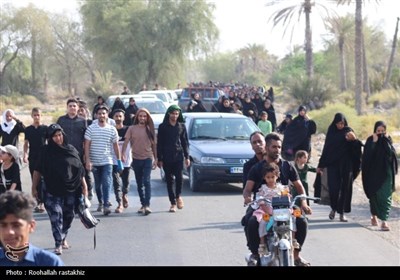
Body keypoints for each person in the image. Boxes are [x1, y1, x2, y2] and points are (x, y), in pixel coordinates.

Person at [243, 132, 312, 266]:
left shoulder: (288, 166)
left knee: (302, 220)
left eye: (279, 147)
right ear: (267, 148)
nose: (277, 150)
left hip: (285, 205)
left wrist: (303, 202)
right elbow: (247, 188)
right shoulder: (256, 168)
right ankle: (255, 253)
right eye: (274, 147)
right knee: (251, 221)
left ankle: (297, 255)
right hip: (263, 205)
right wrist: (247, 197)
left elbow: (299, 186)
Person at [32, 124, 88, 255]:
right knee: (56, 215)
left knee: (68, 215)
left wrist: (84, 186)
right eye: (55, 136)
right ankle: (58, 243)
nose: (58, 138)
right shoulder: (45, 151)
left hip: (70, 189)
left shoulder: (71, 149)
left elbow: (79, 170)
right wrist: (34, 187)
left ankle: (63, 237)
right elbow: (37, 170)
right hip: (51, 189)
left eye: (60, 135)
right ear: (50, 138)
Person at [317, 113, 362, 222]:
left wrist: (353, 140)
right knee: (334, 189)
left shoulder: (349, 131)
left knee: (345, 189)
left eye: (342, 123)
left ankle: (341, 213)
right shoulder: (331, 132)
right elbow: (326, 149)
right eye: (338, 123)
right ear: (335, 123)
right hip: (333, 165)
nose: (340, 126)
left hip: (347, 166)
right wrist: (321, 165)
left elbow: (357, 148)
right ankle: (333, 208)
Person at [0, 191, 64, 266]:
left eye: (16, 225)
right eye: (3, 225)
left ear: (31, 226)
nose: (9, 232)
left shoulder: (50, 262)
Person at [84, 106, 121, 215]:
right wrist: (87, 160)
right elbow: (87, 145)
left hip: (107, 160)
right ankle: (100, 201)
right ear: (96, 115)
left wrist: (119, 161)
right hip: (95, 161)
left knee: (107, 181)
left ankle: (106, 204)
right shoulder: (91, 128)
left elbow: (116, 146)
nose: (101, 115)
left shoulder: (112, 129)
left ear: (107, 115)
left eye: (103, 113)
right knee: (98, 185)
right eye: (99, 113)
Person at [362, 121, 398, 231]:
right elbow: (367, 158)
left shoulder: (388, 140)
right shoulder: (370, 140)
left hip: (386, 174)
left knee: (386, 197)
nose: (381, 133)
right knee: (374, 197)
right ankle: (374, 216)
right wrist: (374, 142)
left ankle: (384, 221)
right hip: (372, 175)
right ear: (375, 131)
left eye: (383, 131)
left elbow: (391, 155)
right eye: (378, 131)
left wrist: (386, 141)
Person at [122, 108, 157, 215]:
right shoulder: (131, 129)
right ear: (137, 117)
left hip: (147, 158)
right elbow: (126, 141)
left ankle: (147, 205)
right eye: (140, 116)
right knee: (139, 183)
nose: (142, 118)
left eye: (144, 116)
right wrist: (123, 154)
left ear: (147, 118)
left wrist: (156, 158)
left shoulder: (150, 129)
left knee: (146, 181)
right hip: (136, 159)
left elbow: (154, 145)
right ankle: (143, 204)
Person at [157, 105, 190, 213]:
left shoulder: (181, 126)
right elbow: (160, 143)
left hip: (178, 156)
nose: (175, 116)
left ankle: (178, 196)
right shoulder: (163, 127)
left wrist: (187, 157)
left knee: (179, 178)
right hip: (166, 157)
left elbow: (185, 142)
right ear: (169, 114)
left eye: (176, 114)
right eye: (173, 113)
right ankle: (172, 203)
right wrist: (159, 158)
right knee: (169, 180)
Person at [23, 108, 48, 212]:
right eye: (35, 115)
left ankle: (42, 202)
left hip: (43, 157)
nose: (37, 117)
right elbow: (26, 144)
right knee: (34, 180)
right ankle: (37, 200)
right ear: (32, 116)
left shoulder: (45, 128)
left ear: (41, 115)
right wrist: (24, 154)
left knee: (42, 179)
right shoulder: (28, 129)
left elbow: (49, 142)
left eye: (38, 115)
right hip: (32, 157)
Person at [111, 109, 131, 213]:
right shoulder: (110, 130)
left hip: (126, 160)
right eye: (116, 116)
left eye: (120, 116)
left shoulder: (128, 129)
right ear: (113, 118)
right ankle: (119, 204)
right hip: (114, 160)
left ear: (123, 117)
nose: (118, 118)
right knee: (116, 183)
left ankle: (124, 195)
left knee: (125, 182)